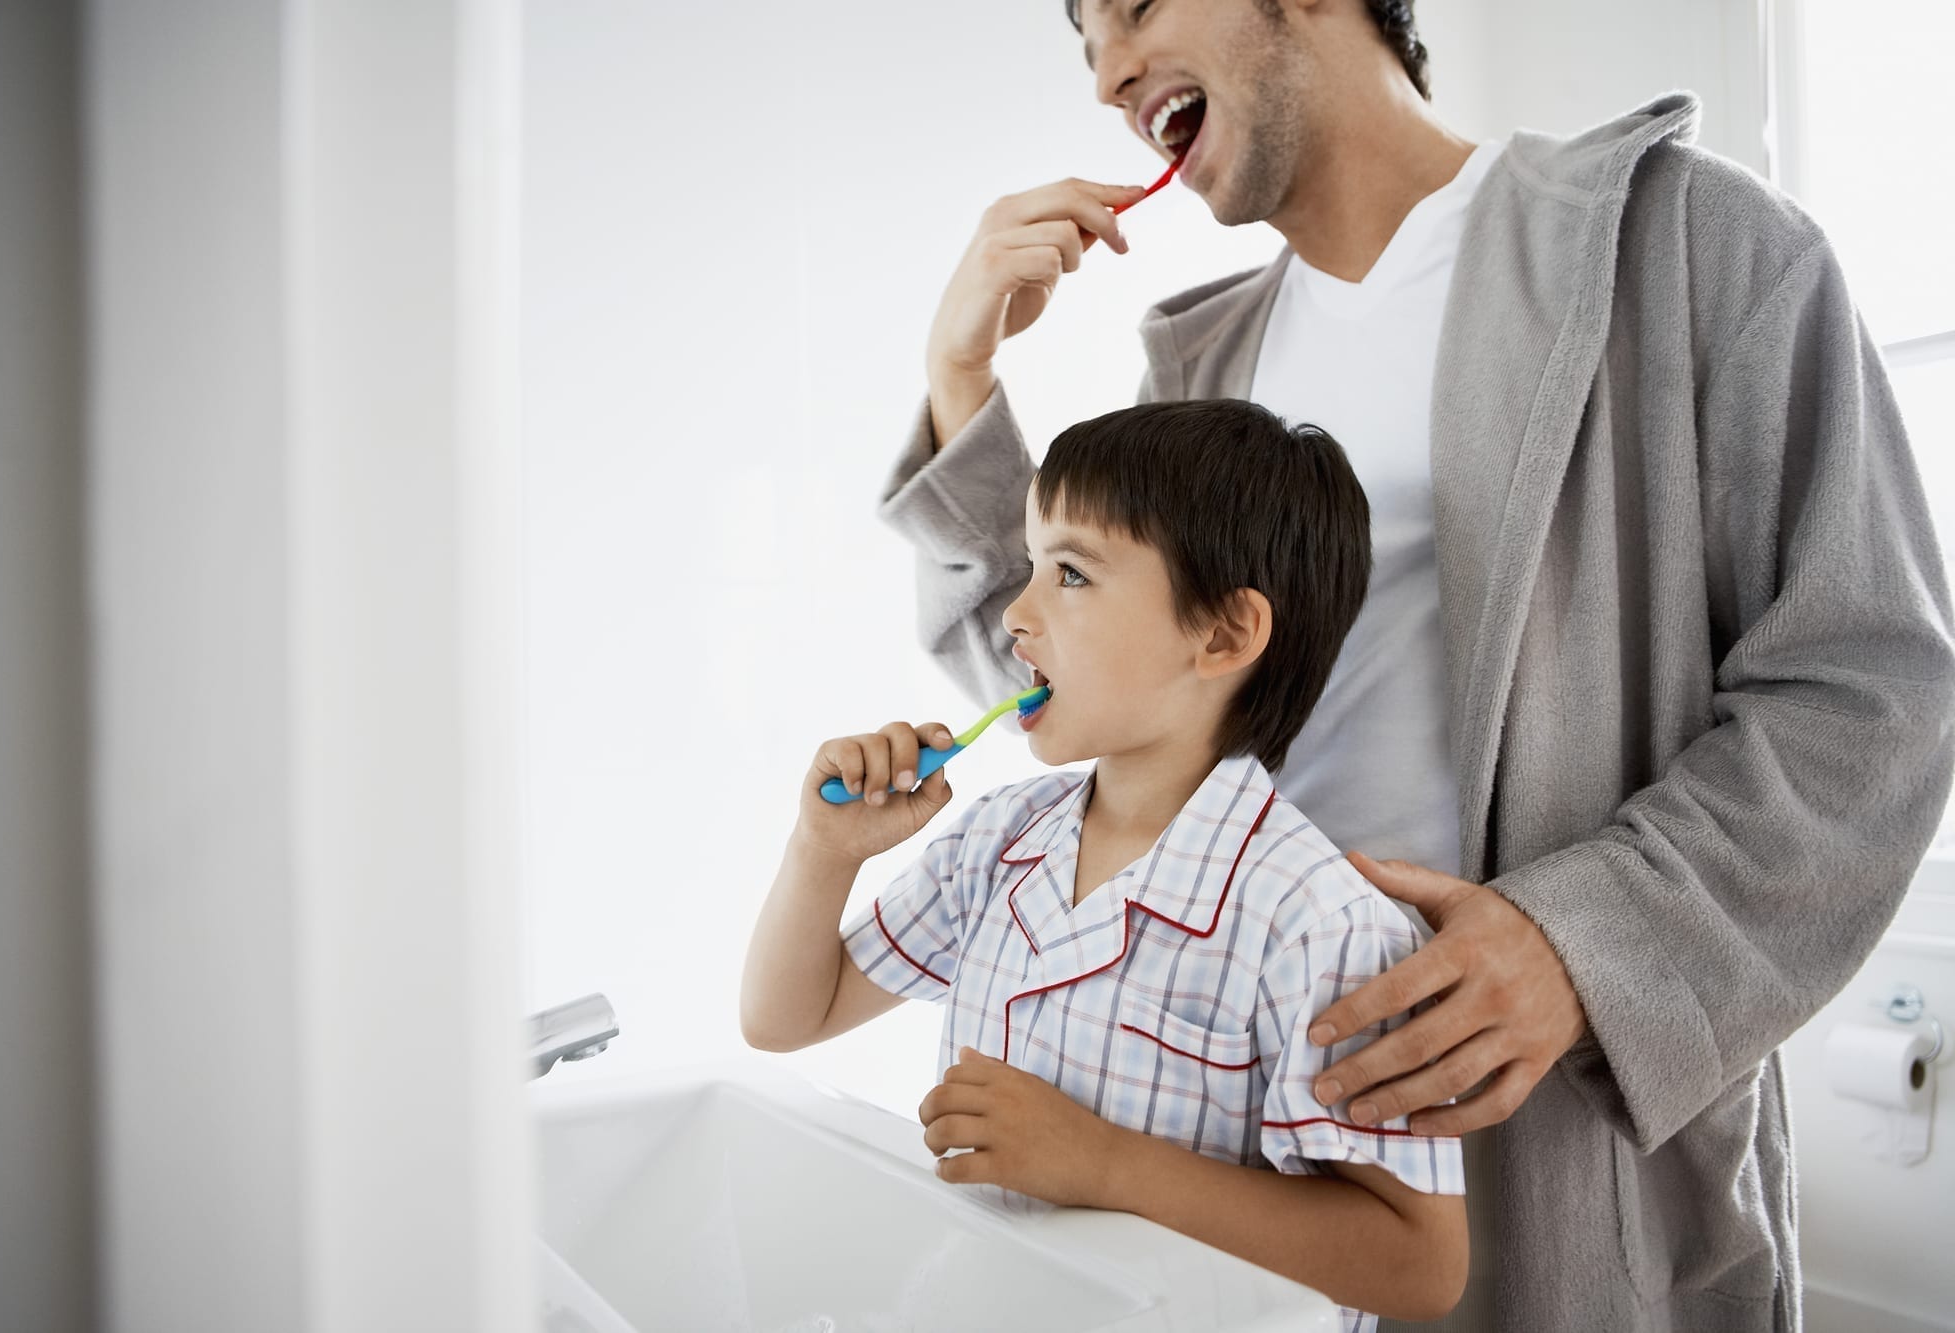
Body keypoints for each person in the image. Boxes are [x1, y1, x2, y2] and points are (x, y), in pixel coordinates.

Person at [874, 1, 1955, 1330]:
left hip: (1553, 1157)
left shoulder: (1695, 247)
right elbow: (1076, 695)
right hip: (1237, 1173)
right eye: (1083, 43)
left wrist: (1584, 944)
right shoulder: (1195, 373)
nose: (1105, 75)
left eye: (1136, 7)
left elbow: (1867, 692)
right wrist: (958, 374)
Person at [742, 399, 1469, 1327]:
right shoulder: (1001, 841)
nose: (1016, 614)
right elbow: (782, 1018)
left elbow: (1420, 1262)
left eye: (1072, 574)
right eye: (1033, 566)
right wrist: (822, 852)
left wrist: (1104, 1161)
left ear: (1222, 635)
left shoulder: (1318, 923)